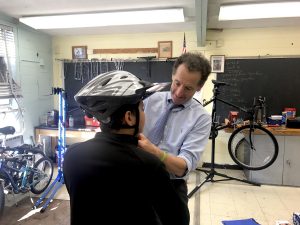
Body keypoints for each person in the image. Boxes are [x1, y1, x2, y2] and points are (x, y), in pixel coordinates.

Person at [63, 70, 189, 225]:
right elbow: (178, 220)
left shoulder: (72, 155)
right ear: (129, 117)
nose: (144, 114)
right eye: (142, 108)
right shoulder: (149, 165)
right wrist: (180, 189)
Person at [138, 52, 212, 204]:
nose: (179, 93)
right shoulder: (148, 100)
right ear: (172, 75)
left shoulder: (201, 118)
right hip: (138, 178)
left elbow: (182, 168)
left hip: (171, 187)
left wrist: (153, 151)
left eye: (188, 88)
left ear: (199, 86)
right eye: (177, 83)